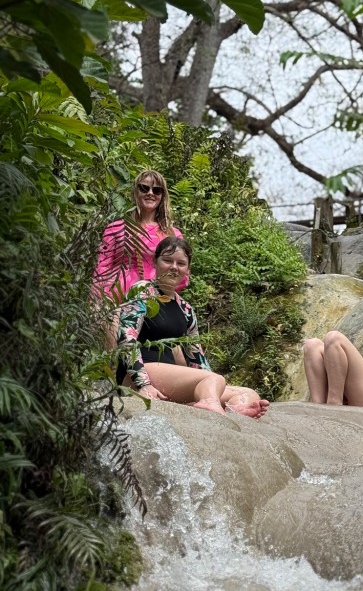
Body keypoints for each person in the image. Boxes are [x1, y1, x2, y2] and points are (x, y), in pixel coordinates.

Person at [116, 236, 269, 419]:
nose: (174, 267)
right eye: (167, 260)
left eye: (181, 263)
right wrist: (143, 384)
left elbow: (197, 359)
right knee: (214, 379)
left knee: (247, 394)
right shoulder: (143, 291)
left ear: (187, 269)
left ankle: (222, 408)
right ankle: (211, 405)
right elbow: (126, 338)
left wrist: (215, 389)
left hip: (172, 380)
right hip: (139, 374)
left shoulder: (185, 309)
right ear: (155, 263)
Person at [94, 170, 187, 303]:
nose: (150, 193)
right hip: (115, 305)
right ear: (136, 192)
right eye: (144, 188)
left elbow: (181, 274)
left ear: (162, 196)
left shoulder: (173, 234)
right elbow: (101, 269)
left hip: (156, 305)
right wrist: (100, 302)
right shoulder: (116, 228)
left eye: (156, 190)